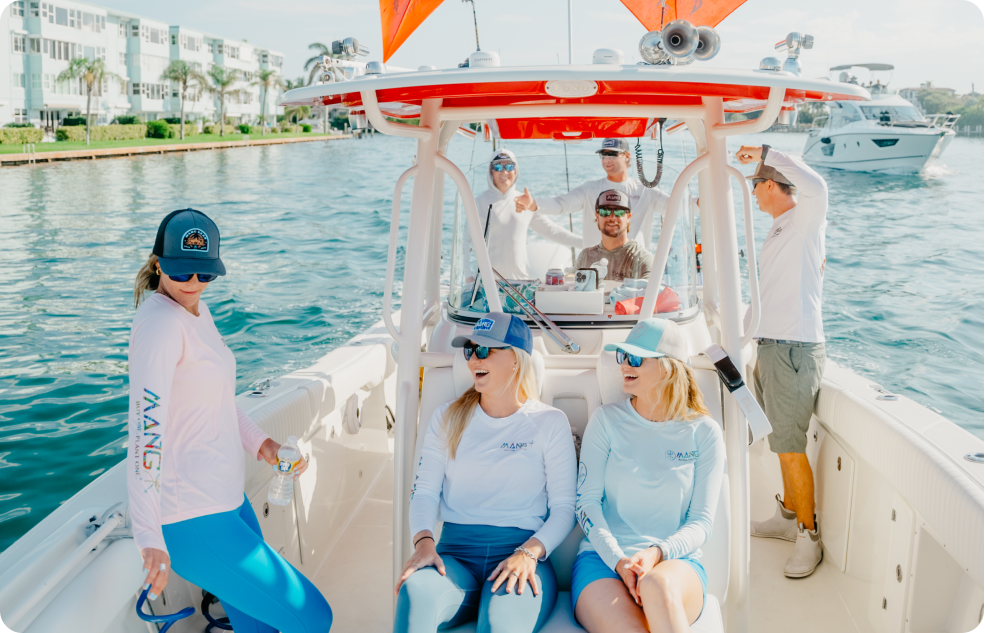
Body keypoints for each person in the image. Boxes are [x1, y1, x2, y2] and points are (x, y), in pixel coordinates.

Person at [129, 209, 332, 632]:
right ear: (157, 264)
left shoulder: (195, 312)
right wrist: (148, 535)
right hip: (193, 519)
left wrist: (263, 446)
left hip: (227, 501)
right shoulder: (161, 326)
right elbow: (146, 433)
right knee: (313, 617)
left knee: (259, 627)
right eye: (183, 273)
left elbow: (218, 398)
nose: (193, 284)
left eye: (204, 275)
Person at [394, 312, 577, 633]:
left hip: (521, 554)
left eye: (484, 351)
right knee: (414, 593)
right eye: (469, 350)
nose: (473, 359)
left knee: (498, 626)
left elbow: (565, 508)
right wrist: (424, 542)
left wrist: (528, 553)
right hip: (454, 557)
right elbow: (424, 492)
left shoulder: (550, 422)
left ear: (517, 360)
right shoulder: (446, 417)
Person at [573, 318, 725, 633]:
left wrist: (658, 553)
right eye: (623, 356)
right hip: (604, 563)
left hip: (677, 564)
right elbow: (586, 505)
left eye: (636, 358)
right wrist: (620, 560)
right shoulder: (605, 421)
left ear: (669, 368)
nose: (625, 365)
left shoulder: (705, 432)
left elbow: (701, 522)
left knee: (656, 584)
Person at [737, 144, 828, 578]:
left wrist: (770, 150)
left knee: (792, 450)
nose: (754, 196)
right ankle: (787, 515)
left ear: (771, 184)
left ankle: (809, 537)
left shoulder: (805, 219)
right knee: (779, 442)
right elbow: (767, 293)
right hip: (770, 348)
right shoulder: (778, 228)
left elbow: (818, 186)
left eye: (757, 186)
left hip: (794, 350)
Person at [514, 138, 669, 248]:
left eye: (612, 154)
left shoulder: (645, 191)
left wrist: (694, 202)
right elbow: (561, 204)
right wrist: (533, 204)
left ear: (627, 156)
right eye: (604, 155)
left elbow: (674, 206)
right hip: (596, 271)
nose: (607, 159)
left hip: (633, 271)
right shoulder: (590, 189)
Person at [474, 149, 581, 279]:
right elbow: (467, 240)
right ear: (491, 170)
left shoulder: (524, 201)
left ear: (515, 170)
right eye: (498, 166)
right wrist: (468, 276)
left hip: (520, 284)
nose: (504, 172)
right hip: (489, 283)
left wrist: (587, 243)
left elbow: (552, 231)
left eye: (509, 166)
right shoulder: (479, 201)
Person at [575, 190, 653, 282]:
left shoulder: (643, 259)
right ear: (597, 216)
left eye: (619, 212)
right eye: (605, 211)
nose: (612, 217)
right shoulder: (585, 256)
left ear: (628, 217)